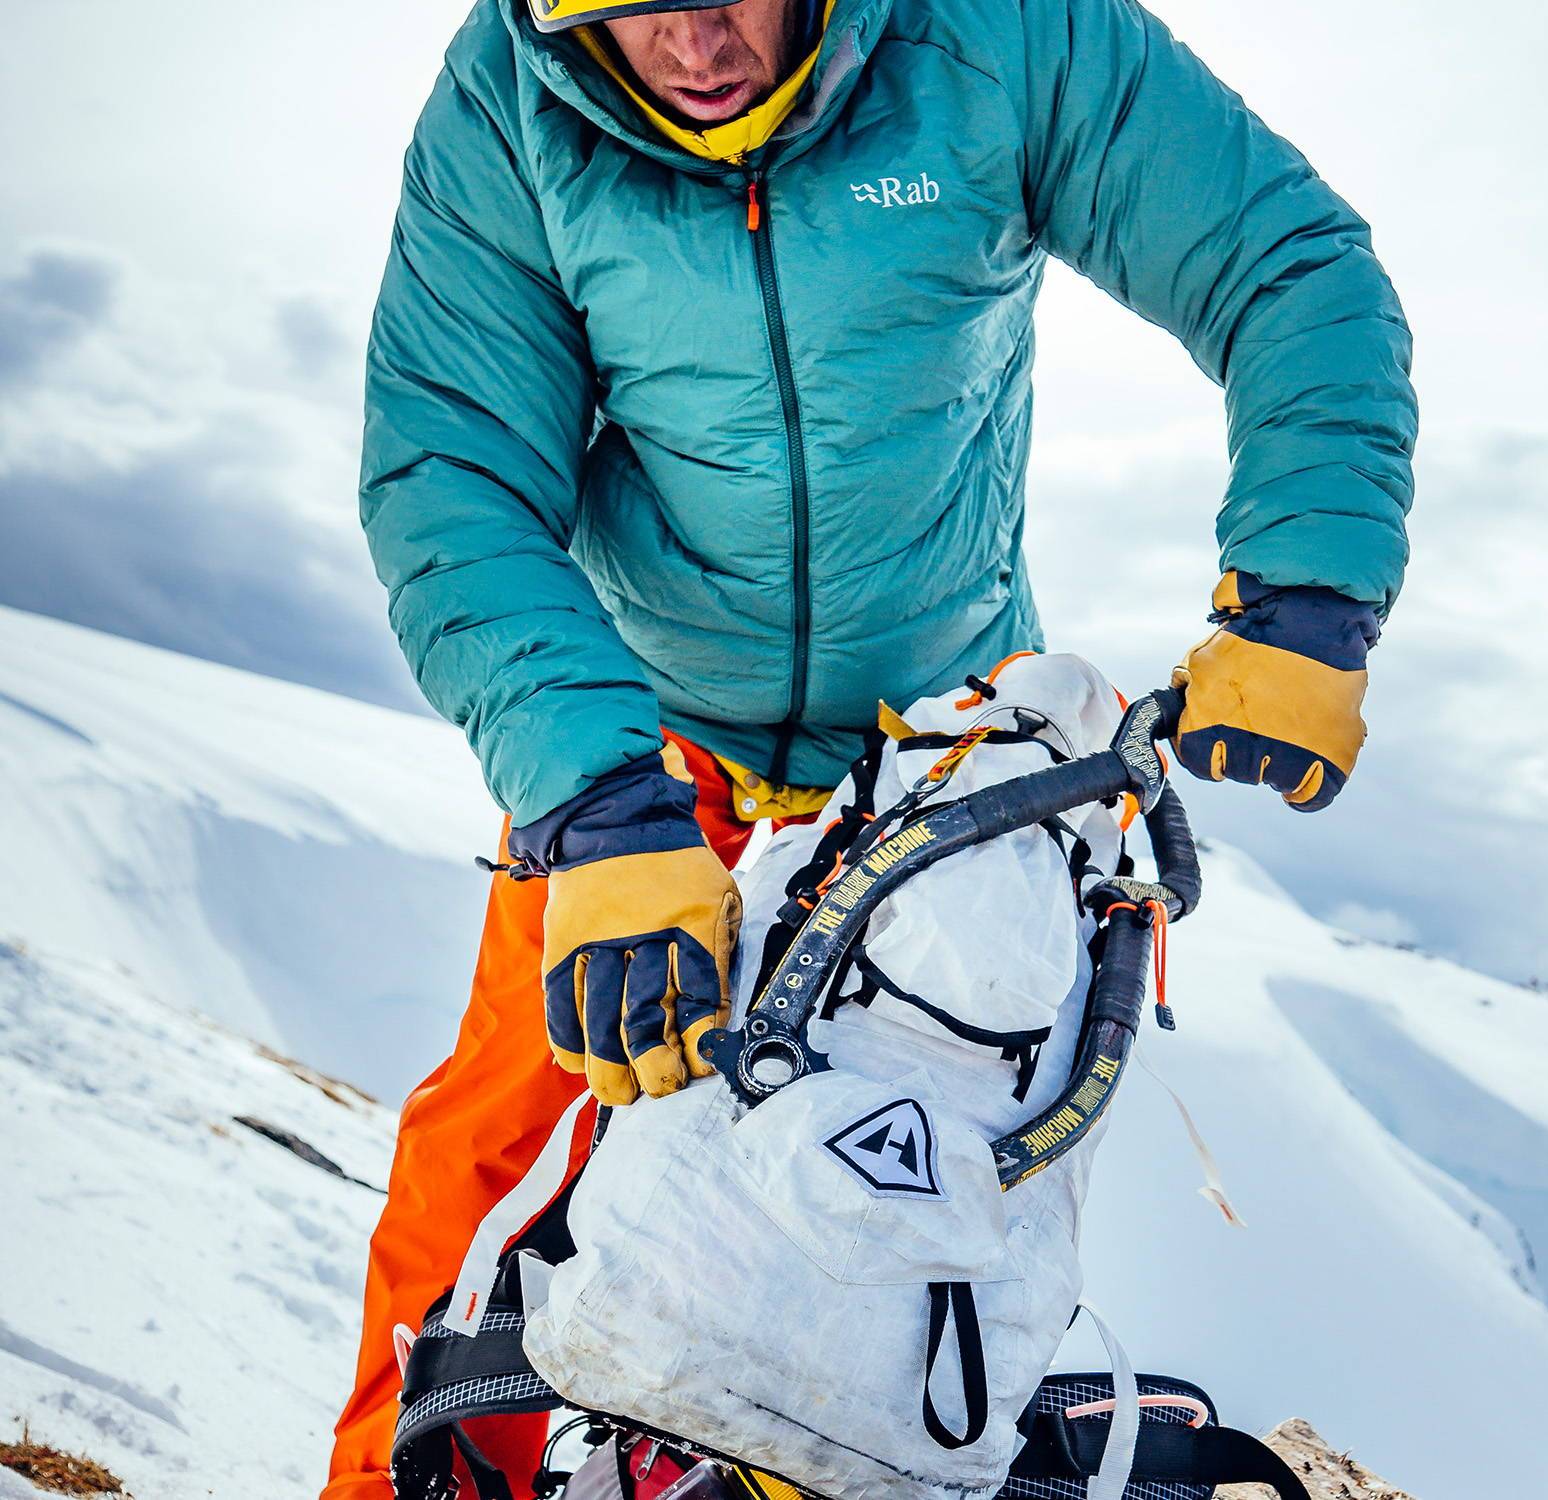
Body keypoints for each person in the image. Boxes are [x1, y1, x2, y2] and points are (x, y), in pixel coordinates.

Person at [327, 0, 1416, 1491]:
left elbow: (1287, 265)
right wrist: (594, 807)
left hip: (943, 763)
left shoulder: (1003, 40)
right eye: (624, 7)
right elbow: (454, 472)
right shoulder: (509, 103)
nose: (693, 43)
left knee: (909, 1207)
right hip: (648, 760)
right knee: (499, 1167)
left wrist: (1308, 588)